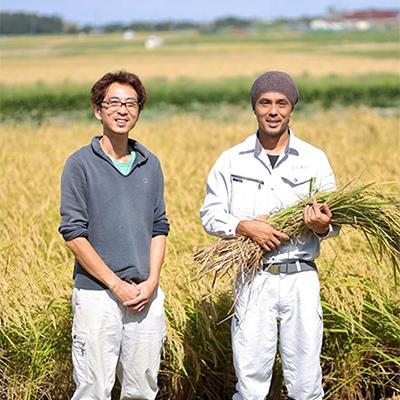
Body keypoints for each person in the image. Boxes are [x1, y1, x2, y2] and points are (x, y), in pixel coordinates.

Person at [200, 71, 339, 400]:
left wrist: (321, 226)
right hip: (253, 279)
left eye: (282, 103)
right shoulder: (231, 160)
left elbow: (333, 220)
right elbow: (210, 213)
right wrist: (244, 226)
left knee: (306, 383)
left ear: (291, 109)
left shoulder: (314, 159)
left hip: (301, 278)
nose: (273, 110)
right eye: (265, 103)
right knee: (250, 382)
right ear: (254, 108)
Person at [59, 70, 169, 400]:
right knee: (93, 388)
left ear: (139, 111)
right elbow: (74, 233)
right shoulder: (79, 164)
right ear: (98, 110)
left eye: (131, 104)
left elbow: (159, 227)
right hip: (97, 295)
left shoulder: (150, 164)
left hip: (145, 295)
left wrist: (151, 282)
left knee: (143, 389)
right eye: (114, 103)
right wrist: (116, 284)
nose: (123, 110)